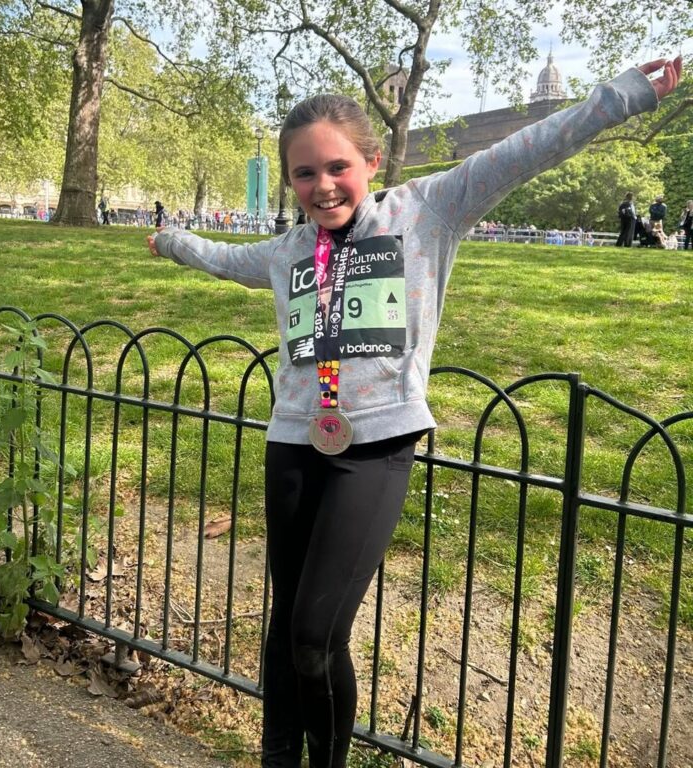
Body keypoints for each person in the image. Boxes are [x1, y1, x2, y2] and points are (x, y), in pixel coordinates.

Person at [147, 56, 682, 768]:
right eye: (304, 174)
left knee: (314, 634)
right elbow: (220, 257)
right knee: (285, 630)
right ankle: (278, 757)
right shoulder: (289, 249)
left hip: (375, 448)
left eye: (337, 167)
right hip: (292, 442)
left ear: (370, 161)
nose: (322, 186)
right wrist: (170, 242)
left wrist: (625, 95)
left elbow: (531, 147)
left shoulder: (428, 210)